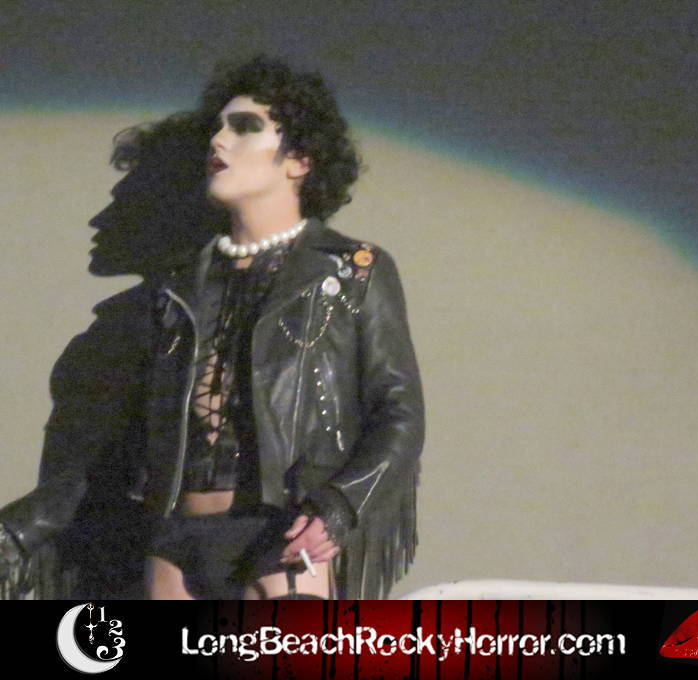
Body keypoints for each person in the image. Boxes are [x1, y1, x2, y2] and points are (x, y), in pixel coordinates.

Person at [0, 55, 424, 600]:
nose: (219, 140)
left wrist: (341, 505)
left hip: (280, 536)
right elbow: (116, 451)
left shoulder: (351, 272)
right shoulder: (175, 293)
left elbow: (399, 411)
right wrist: (18, 531)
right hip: (174, 546)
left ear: (300, 159)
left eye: (245, 127)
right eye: (217, 128)